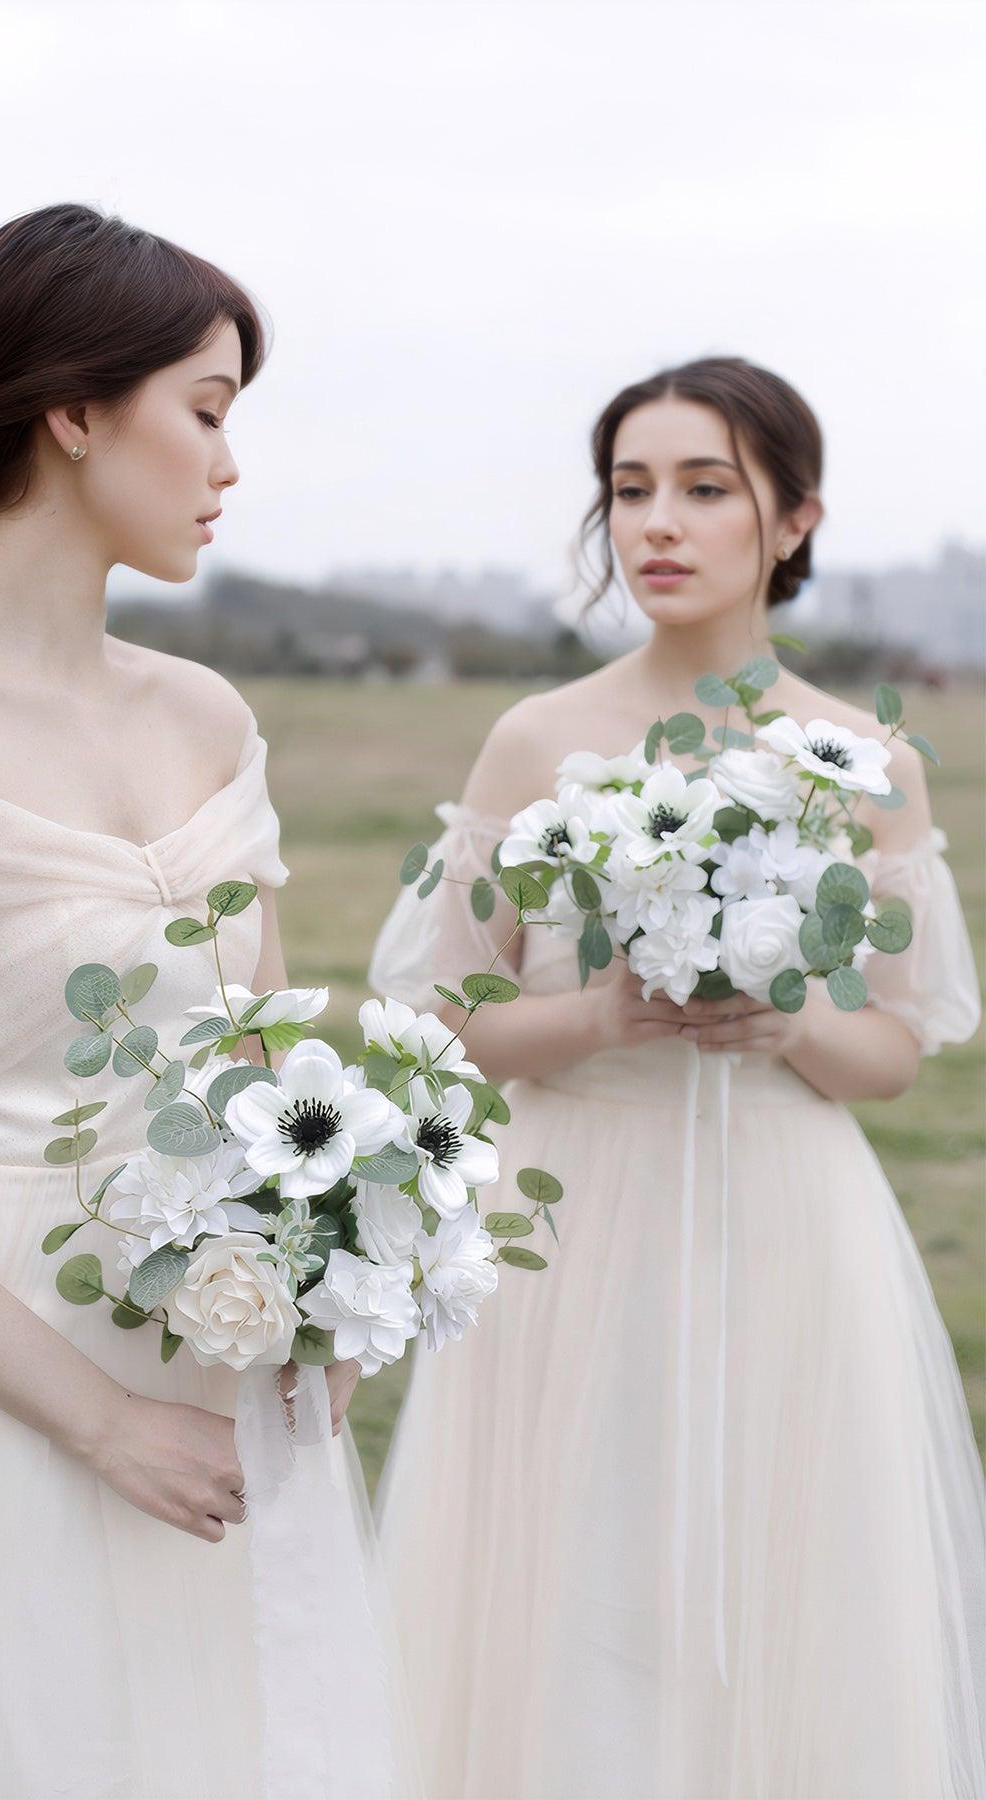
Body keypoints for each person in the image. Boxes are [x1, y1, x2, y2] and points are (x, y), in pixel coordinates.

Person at [0, 203, 407, 1800]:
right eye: (205, 410)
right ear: (73, 413)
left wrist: (331, 1312)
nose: (228, 463)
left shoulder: (203, 712)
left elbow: (266, 1077)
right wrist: (99, 1424)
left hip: (206, 1351)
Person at [370, 357, 985, 1798]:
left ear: (792, 521)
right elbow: (447, 1018)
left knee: (793, 1575)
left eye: (707, 489)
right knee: (574, 1578)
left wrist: (784, 1028)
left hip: (787, 1215)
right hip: (573, 1214)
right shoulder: (540, 740)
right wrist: (604, 1014)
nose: (660, 523)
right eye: (631, 491)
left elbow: (894, 1050)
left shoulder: (865, 763)